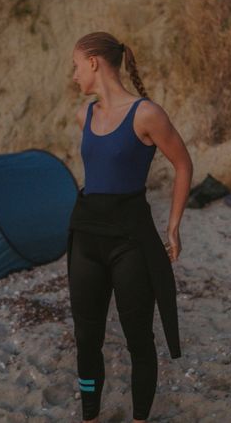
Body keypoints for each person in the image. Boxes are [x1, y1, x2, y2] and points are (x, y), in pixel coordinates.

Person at [68, 31, 193, 422]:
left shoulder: (146, 114)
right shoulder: (83, 114)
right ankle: (90, 416)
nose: (73, 76)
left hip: (130, 240)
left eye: (75, 66)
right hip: (87, 237)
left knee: (138, 339)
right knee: (87, 338)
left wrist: (173, 226)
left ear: (93, 63)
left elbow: (184, 165)